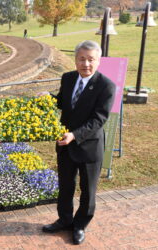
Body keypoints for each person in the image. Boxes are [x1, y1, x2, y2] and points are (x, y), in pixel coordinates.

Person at [41, 40, 116, 245]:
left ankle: (80, 225)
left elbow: (98, 119)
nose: (86, 64)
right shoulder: (68, 78)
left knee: (88, 189)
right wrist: (48, 98)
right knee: (65, 185)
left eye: (91, 60)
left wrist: (74, 135)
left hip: (89, 146)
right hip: (65, 145)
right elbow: (64, 101)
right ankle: (64, 220)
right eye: (82, 59)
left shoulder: (106, 86)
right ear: (75, 60)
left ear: (98, 61)